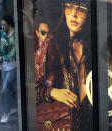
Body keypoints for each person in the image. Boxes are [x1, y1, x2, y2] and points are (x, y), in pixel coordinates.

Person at [35, 0, 92, 130]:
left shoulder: (93, 46)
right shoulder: (52, 43)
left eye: (81, 9)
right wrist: (53, 92)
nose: (74, 14)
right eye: (68, 7)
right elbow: (29, 87)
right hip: (61, 123)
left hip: (88, 122)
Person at [0, 16, 17, 123]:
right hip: (4, 67)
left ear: (10, 25)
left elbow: (13, 55)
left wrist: (1, 58)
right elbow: (1, 47)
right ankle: (14, 107)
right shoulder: (3, 34)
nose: (3, 27)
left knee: (4, 91)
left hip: (12, 67)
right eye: (2, 25)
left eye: (5, 25)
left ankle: (4, 114)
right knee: (12, 88)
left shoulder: (14, 36)